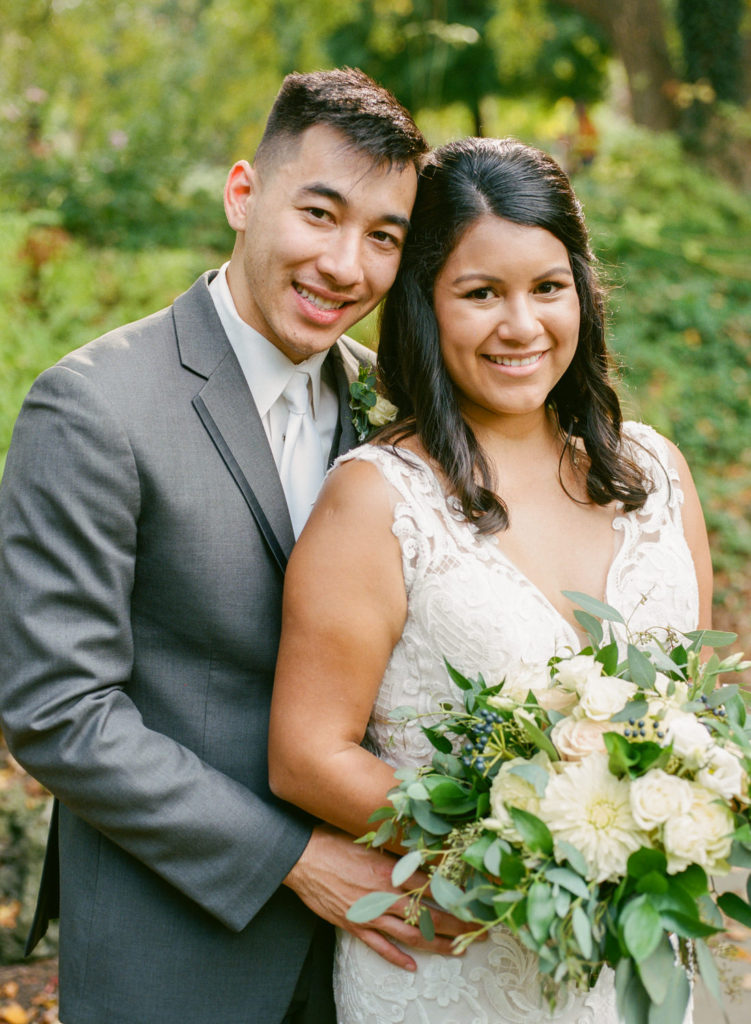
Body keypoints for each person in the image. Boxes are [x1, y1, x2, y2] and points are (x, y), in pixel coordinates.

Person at [0, 68, 471, 1024]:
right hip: (176, 941)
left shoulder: (393, 406)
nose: (346, 265)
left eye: (382, 237)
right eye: (320, 214)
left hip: (379, 953)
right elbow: (57, 710)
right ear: (243, 194)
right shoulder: (95, 407)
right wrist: (300, 860)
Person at [268, 136, 712, 1022]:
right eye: (481, 294)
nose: (521, 325)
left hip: (642, 956)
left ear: (581, 289)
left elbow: (696, 701)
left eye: (547, 288)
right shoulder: (375, 500)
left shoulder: (655, 472)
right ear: (427, 308)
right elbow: (306, 756)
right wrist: (527, 847)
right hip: (452, 959)